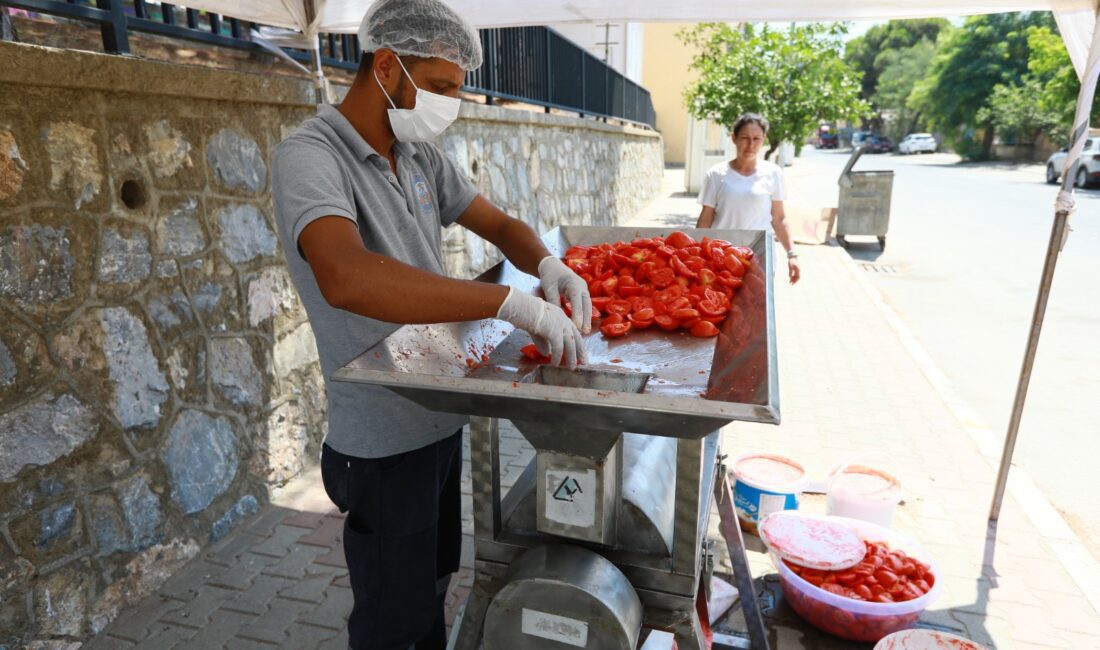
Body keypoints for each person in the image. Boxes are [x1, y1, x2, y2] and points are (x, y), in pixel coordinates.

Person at [270, 1, 591, 647]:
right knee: (394, 618)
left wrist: (550, 266)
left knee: (436, 587)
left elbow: (498, 225)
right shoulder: (310, 156)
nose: (449, 103)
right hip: (382, 441)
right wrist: (505, 304)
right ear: (387, 67)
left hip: (439, 415)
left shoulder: (417, 155)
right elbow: (346, 275)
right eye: (441, 87)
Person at [696, 113, 801, 284]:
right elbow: (705, 219)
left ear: (764, 139)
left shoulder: (774, 173)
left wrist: (792, 255)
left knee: (757, 308)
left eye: (756, 138)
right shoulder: (716, 174)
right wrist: (698, 255)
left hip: (758, 258)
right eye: (744, 138)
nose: (750, 145)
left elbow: (779, 219)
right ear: (734, 138)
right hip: (721, 258)